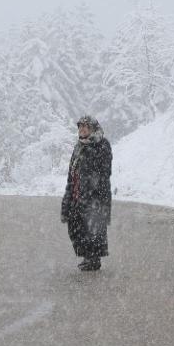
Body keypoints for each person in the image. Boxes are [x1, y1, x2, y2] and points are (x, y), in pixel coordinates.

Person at [61, 115, 112, 271]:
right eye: (80, 126)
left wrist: (93, 193)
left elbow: (104, 172)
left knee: (93, 228)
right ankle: (87, 256)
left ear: (92, 129)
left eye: (85, 126)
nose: (82, 129)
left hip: (94, 197)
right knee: (76, 227)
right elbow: (72, 175)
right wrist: (67, 199)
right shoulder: (79, 147)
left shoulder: (101, 145)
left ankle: (93, 259)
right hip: (77, 194)